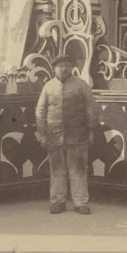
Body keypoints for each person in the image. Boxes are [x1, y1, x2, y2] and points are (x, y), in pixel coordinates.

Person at [35, 54, 98, 214]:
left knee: (78, 169)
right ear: (54, 68)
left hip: (78, 135)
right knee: (57, 170)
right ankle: (58, 201)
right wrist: (42, 134)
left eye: (66, 65)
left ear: (71, 67)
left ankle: (80, 202)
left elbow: (91, 108)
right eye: (60, 66)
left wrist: (91, 130)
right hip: (54, 135)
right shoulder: (48, 87)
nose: (63, 69)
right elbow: (40, 111)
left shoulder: (81, 85)